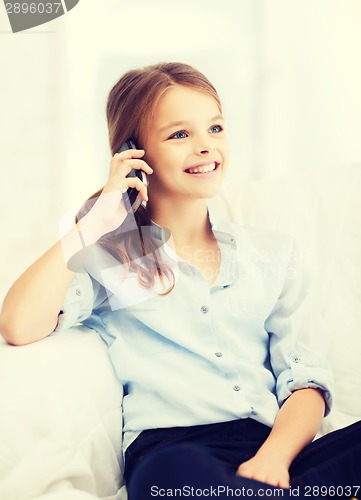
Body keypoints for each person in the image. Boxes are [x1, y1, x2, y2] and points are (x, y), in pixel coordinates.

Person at [0, 62, 360, 499]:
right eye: (180, 135)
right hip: (178, 455)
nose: (207, 147)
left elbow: (305, 380)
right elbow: (18, 325)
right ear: (135, 155)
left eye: (215, 128)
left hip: (274, 457)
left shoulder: (273, 253)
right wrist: (93, 222)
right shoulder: (114, 256)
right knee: (170, 470)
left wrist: (274, 459)